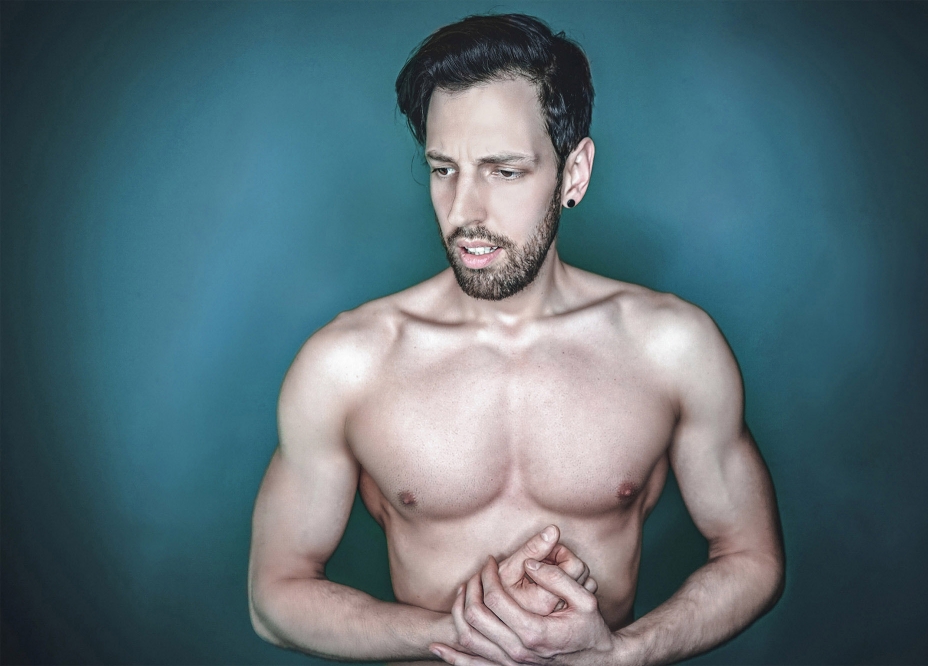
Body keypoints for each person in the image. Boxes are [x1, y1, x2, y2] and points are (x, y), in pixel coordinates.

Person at [248, 13, 784, 666]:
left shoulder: (671, 347)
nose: (464, 210)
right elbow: (274, 598)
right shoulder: (348, 364)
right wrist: (456, 633)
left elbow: (752, 557)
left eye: (504, 171)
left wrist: (624, 654)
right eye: (443, 169)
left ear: (574, 173)